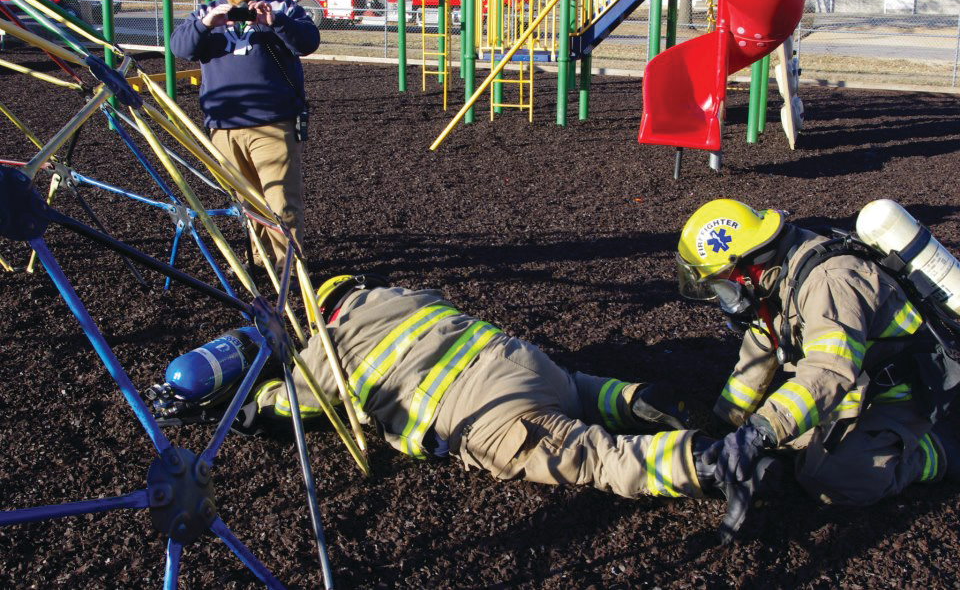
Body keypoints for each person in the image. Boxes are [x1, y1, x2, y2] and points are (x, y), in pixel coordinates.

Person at [243, 274, 778, 541]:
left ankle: (712, 462)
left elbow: (297, 402)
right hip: (523, 364)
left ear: (326, 313)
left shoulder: (329, 344)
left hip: (484, 411)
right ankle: (636, 398)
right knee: (575, 390)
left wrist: (253, 402)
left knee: (591, 455)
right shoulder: (410, 295)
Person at [675, 199, 960, 506]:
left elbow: (828, 370)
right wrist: (725, 423)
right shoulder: (776, 277)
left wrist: (760, 432)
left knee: (835, 478)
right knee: (793, 445)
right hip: (860, 381)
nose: (721, 295)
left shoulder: (830, 282)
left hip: (907, 389)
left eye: (720, 283)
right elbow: (759, 352)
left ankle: (933, 450)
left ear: (749, 266)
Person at [169, 0, 320, 273]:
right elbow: (180, 47)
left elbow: (309, 41)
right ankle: (260, 262)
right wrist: (204, 24)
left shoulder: (281, 7)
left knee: (281, 203)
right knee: (247, 205)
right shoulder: (207, 12)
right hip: (225, 126)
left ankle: (288, 271)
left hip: (273, 122)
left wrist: (276, 23)